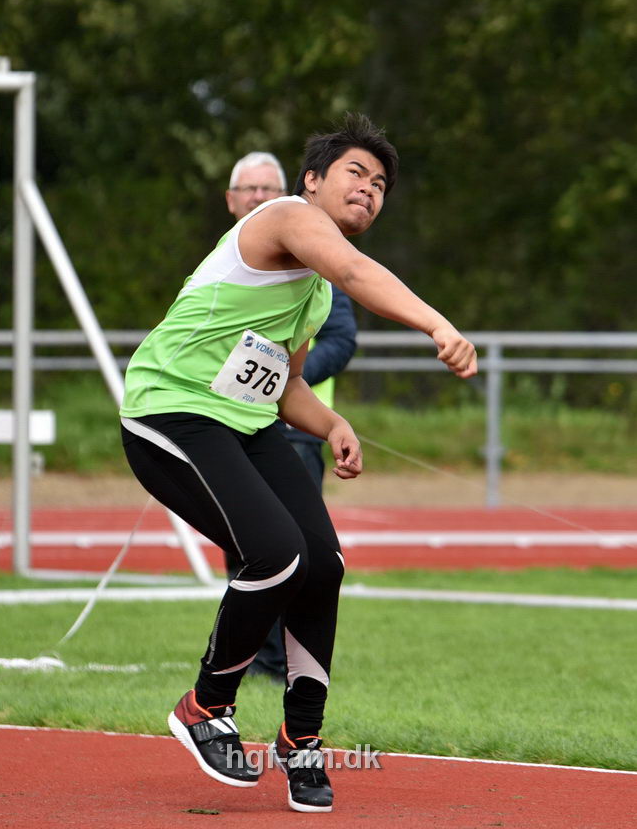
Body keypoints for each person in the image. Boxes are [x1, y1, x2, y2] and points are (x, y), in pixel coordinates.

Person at [119, 114, 477, 813]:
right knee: (275, 554)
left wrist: (333, 421)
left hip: (244, 424)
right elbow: (354, 267)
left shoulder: (313, 293)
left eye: (380, 186)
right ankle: (204, 706)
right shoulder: (285, 218)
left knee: (322, 563)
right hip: (170, 412)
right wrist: (437, 323)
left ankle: (300, 740)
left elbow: (281, 385)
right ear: (310, 181)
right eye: (355, 175)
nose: (369, 192)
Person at [224, 151, 357, 679]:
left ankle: (284, 663)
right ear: (231, 201)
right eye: (249, 190)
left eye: (267, 189)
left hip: (294, 431)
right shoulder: (226, 261)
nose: (259, 198)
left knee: (301, 547)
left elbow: (342, 338)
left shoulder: (321, 262)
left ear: (291, 194)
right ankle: (248, 655)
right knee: (244, 540)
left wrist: (283, 380)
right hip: (225, 424)